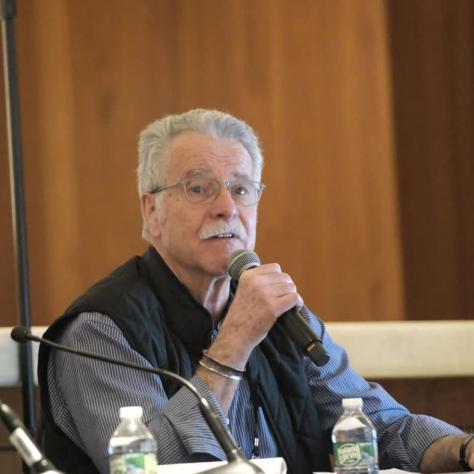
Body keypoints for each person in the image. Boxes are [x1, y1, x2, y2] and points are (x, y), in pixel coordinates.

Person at [37, 109, 474, 474]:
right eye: (199, 187)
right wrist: (233, 344)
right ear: (152, 210)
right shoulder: (98, 331)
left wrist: (462, 450)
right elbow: (156, 465)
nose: (227, 207)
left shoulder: (279, 314)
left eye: (242, 189)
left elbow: (382, 427)